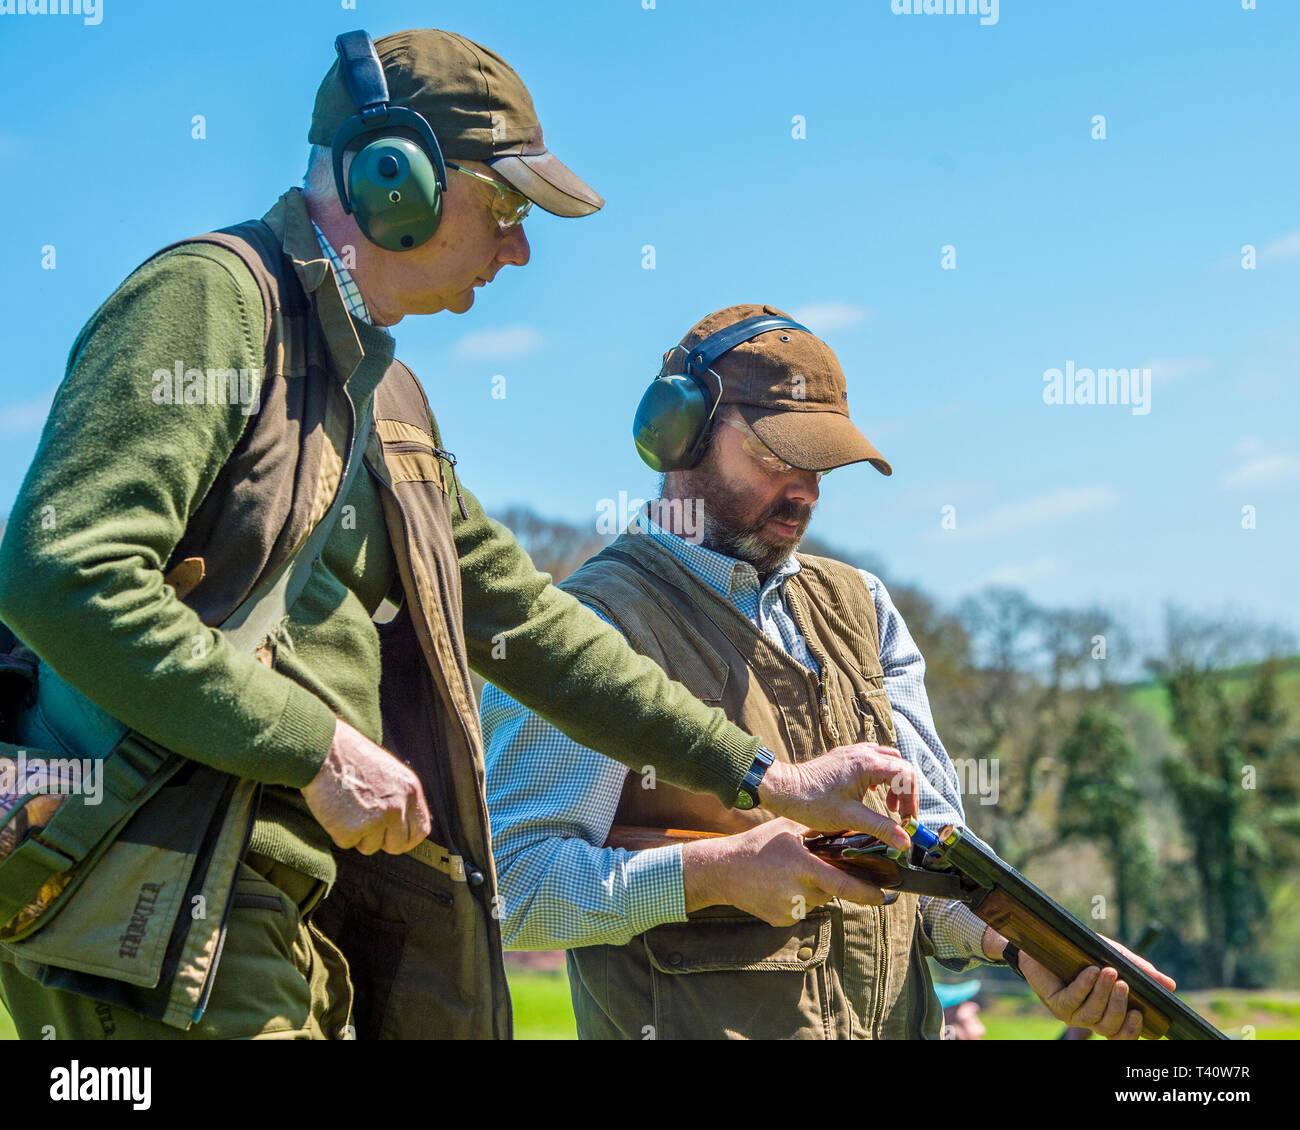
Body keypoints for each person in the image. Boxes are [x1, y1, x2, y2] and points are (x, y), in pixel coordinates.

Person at [0, 35, 909, 1042]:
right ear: (394, 177)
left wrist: (764, 776)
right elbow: (59, 573)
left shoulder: (387, 396)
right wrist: (313, 745)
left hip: (284, 905)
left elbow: (526, 623)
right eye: (508, 206)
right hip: (160, 888)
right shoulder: (208, 299)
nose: (519, 248)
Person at [481, 304, 1177, 1039]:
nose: (806, 490)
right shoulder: (591, 628)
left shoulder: (864, 607)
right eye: (779, 456)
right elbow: (511, 890)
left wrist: (1031, 949)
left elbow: (933, 864)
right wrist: (709, 874)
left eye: (820, 464)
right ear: (679, 436)